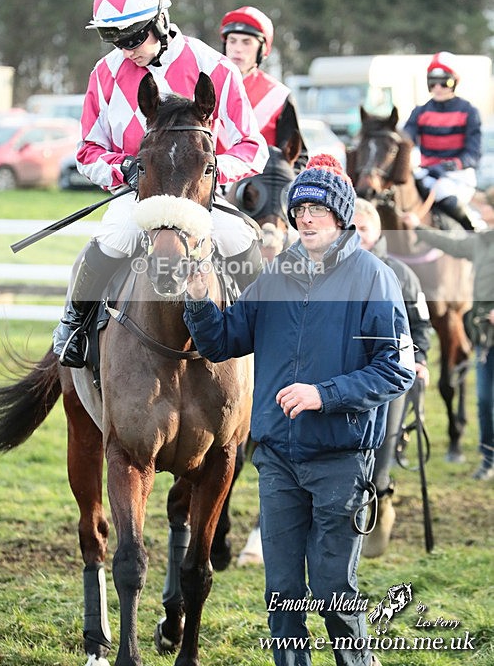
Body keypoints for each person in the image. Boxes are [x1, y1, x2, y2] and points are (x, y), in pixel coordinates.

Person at [184, 154, 415, 666]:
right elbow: (223, 340)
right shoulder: (277, 273)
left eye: (317, 209)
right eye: (300, 209)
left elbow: (396, 369)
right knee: (282, 597)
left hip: (340, 460)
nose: (305, 218)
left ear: (341, 216)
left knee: (334, 593)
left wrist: (323, 394)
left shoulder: (373, 278)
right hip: (278, 461)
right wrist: (200, 300)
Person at [52, 0, 269, 368]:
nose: (125, 48)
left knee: (240, 240)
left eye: (134, 37)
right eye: (113, 39)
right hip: (139, 197)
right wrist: (125, 170)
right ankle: (74, 327)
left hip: (199, 199)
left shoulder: (215, 67)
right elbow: (87, 151)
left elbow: (253, 147)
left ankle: (275, 332)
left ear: (161, 21)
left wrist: (211, 171)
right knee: (113, 237)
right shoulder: (104, 74)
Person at [353, 199, 432, 556]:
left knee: (384, 446)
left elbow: (420, 324)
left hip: (391, 376)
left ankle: (381, 500)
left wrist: (419, 359)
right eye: (349, 229)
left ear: (378, 230)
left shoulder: (400, 274)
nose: (356, 236)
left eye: (363, 229)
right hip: (347, 377)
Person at [403, 186, 494, 481]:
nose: (481, 212)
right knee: (483, 402)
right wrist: (419, 229)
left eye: (485, 209)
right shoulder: (479, 243)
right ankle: (488, 458)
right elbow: (450, 244)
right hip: (486, 337)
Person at [220, 6, 307, 169]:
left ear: (262, 50)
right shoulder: (201, 86)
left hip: (259, 189)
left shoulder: (279, 96)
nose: (237, 48)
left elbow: (297, 159)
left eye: (246, 42)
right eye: (232, 41)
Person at [402, 51, 482, 231]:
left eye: (444, 81)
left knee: (444, 194)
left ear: (455, 82)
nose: (438, 87)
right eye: (432, 82)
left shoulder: (469, 112)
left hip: (458, 177)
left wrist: (447, 167)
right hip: (427, 173)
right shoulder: (420, 112)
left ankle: (474, 232)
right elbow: (406, 140)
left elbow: (473, 155)